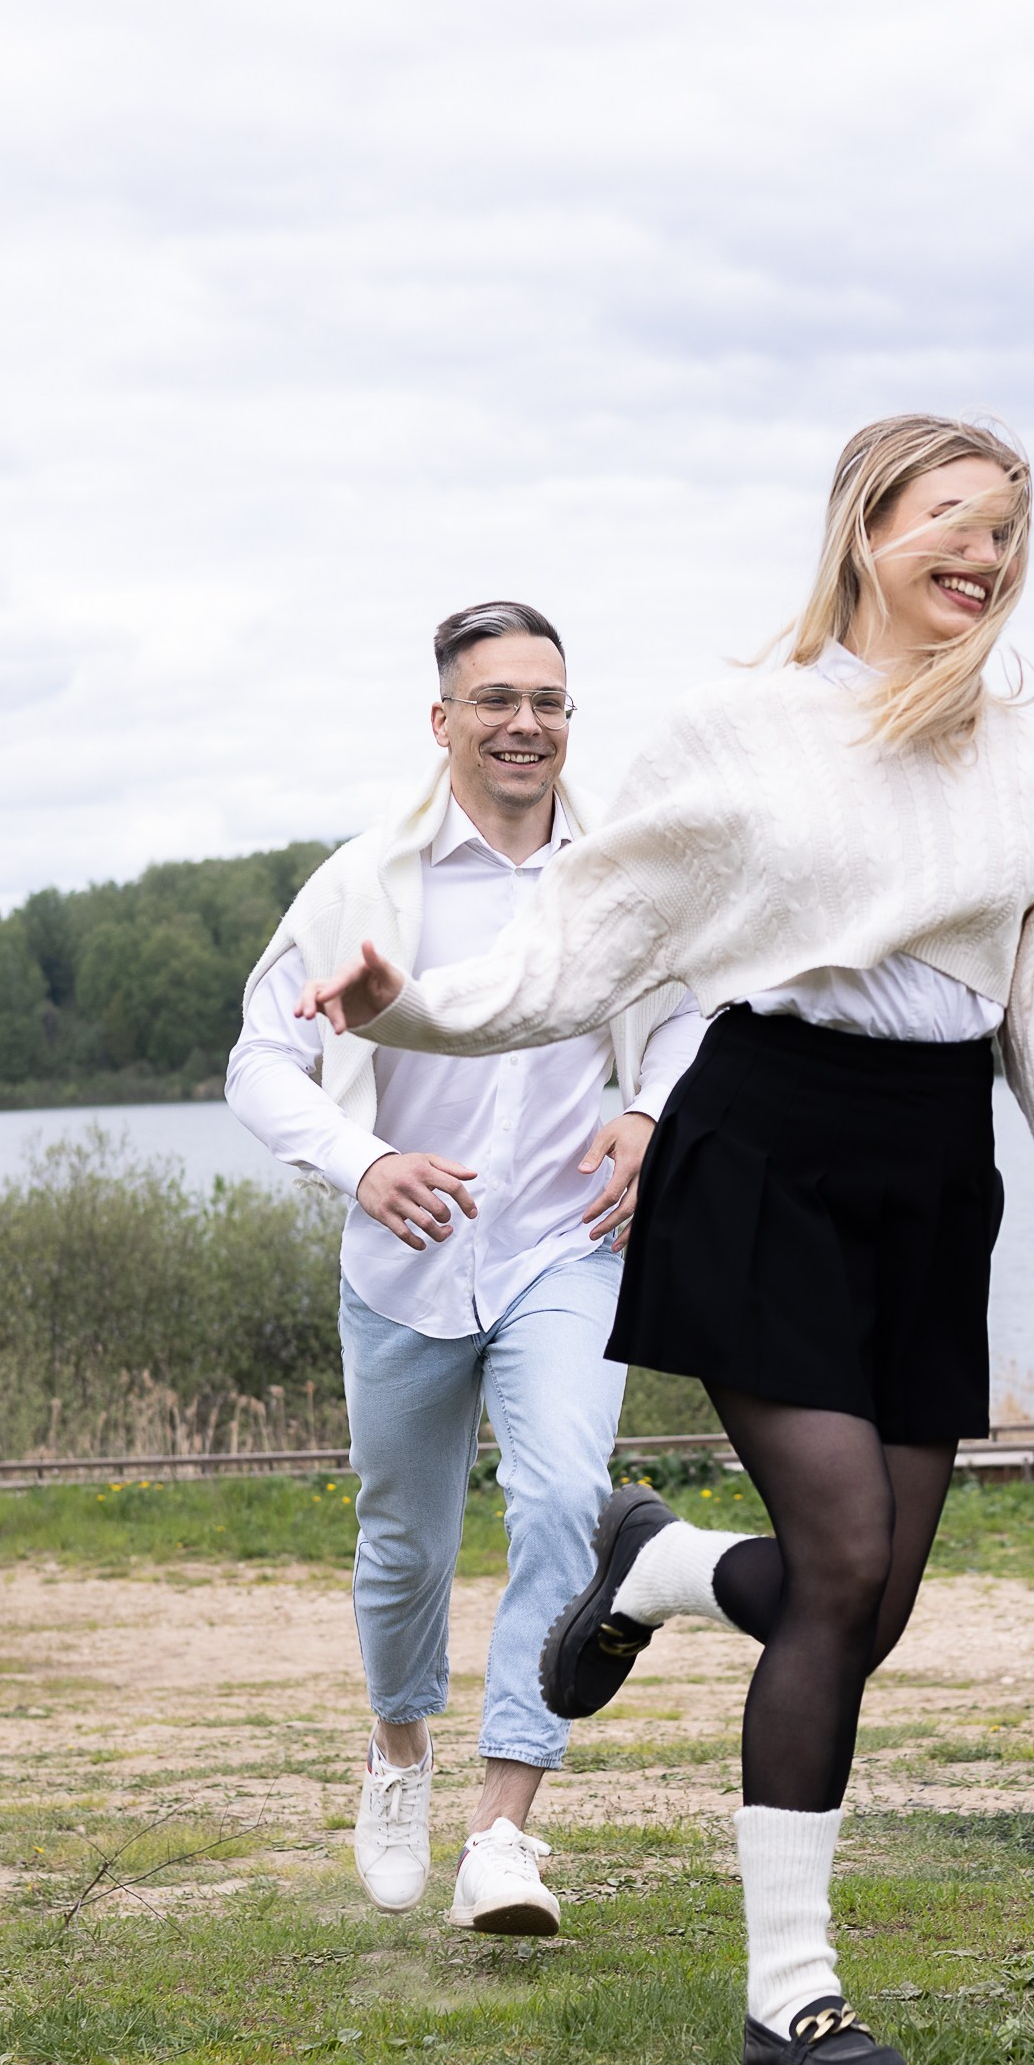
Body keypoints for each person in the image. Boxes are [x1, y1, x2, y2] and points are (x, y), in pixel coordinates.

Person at [300, 419, 1034, 2065]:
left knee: (867, 1607)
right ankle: (792, 2000)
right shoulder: (743, 731)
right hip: (767, 1148)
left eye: (1007, 532)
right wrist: (404, 1010)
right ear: (867, 529)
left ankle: (649, 1573)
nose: (984, 558)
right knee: (843, 1554)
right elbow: (583, 950)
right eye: (952, 522)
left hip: (936, 1172)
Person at [230, 600, 701, 1937]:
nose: (525, 725)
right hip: (406, 1259)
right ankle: (395, 1758)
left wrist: (650, 1115)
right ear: (442, 723)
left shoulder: (619, 875)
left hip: (565, 1242)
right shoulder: (364, 884)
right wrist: (359, 1162)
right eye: (495, 700)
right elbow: (260, 1060)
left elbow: (691, 1018)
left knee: (563, 1497)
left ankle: (503, 1833)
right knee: (401, 1547)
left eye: (548, 701)